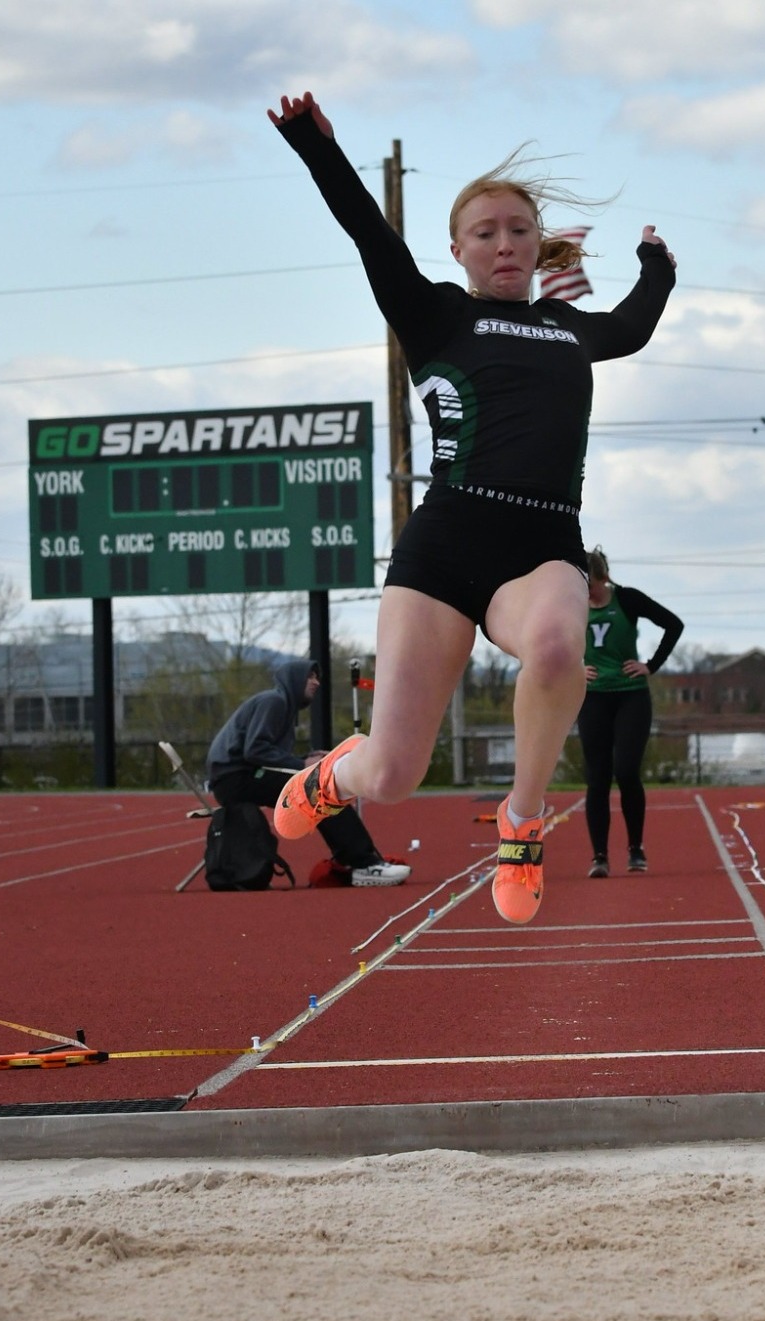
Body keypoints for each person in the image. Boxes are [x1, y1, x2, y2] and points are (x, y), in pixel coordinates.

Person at [265, 91, 677, 925]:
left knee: (562, 647)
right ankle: (328, 775)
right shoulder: (434, 314)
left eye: (517, 231)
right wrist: (316, 147)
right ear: (457, 248)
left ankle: (522, 825)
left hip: (542, 542)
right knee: (391, 775)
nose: (503, 245)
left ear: (537, 244)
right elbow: (364, 231)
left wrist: (657, 270)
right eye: (484, 233)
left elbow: (630, 327)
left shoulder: (567, 327)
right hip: (447, 544)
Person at [206, 658, 410, 887]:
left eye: (317, 677)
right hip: (235, 778)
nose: (316, 683)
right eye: (309, 677)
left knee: (319, 785)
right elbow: (255, 749)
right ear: (293, 680)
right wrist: (302, 765)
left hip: (240, 776)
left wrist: (306, 760)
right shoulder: (274, 702)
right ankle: (363, 864)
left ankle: (356, 860)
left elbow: (267, 755)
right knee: (321, 789)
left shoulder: (283, 707)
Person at [578, 547, 683, 877]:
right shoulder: (571, 605)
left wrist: (651, 665)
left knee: (625, 771)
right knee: (597, 778)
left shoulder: (627, 599)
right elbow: (541, 641)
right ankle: (599, 856)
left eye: (591, 587)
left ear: (604, 578)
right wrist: (574, 669)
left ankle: (635, 848)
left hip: (630, 697)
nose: (588, 594)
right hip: (592, 698)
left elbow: (673, 625)